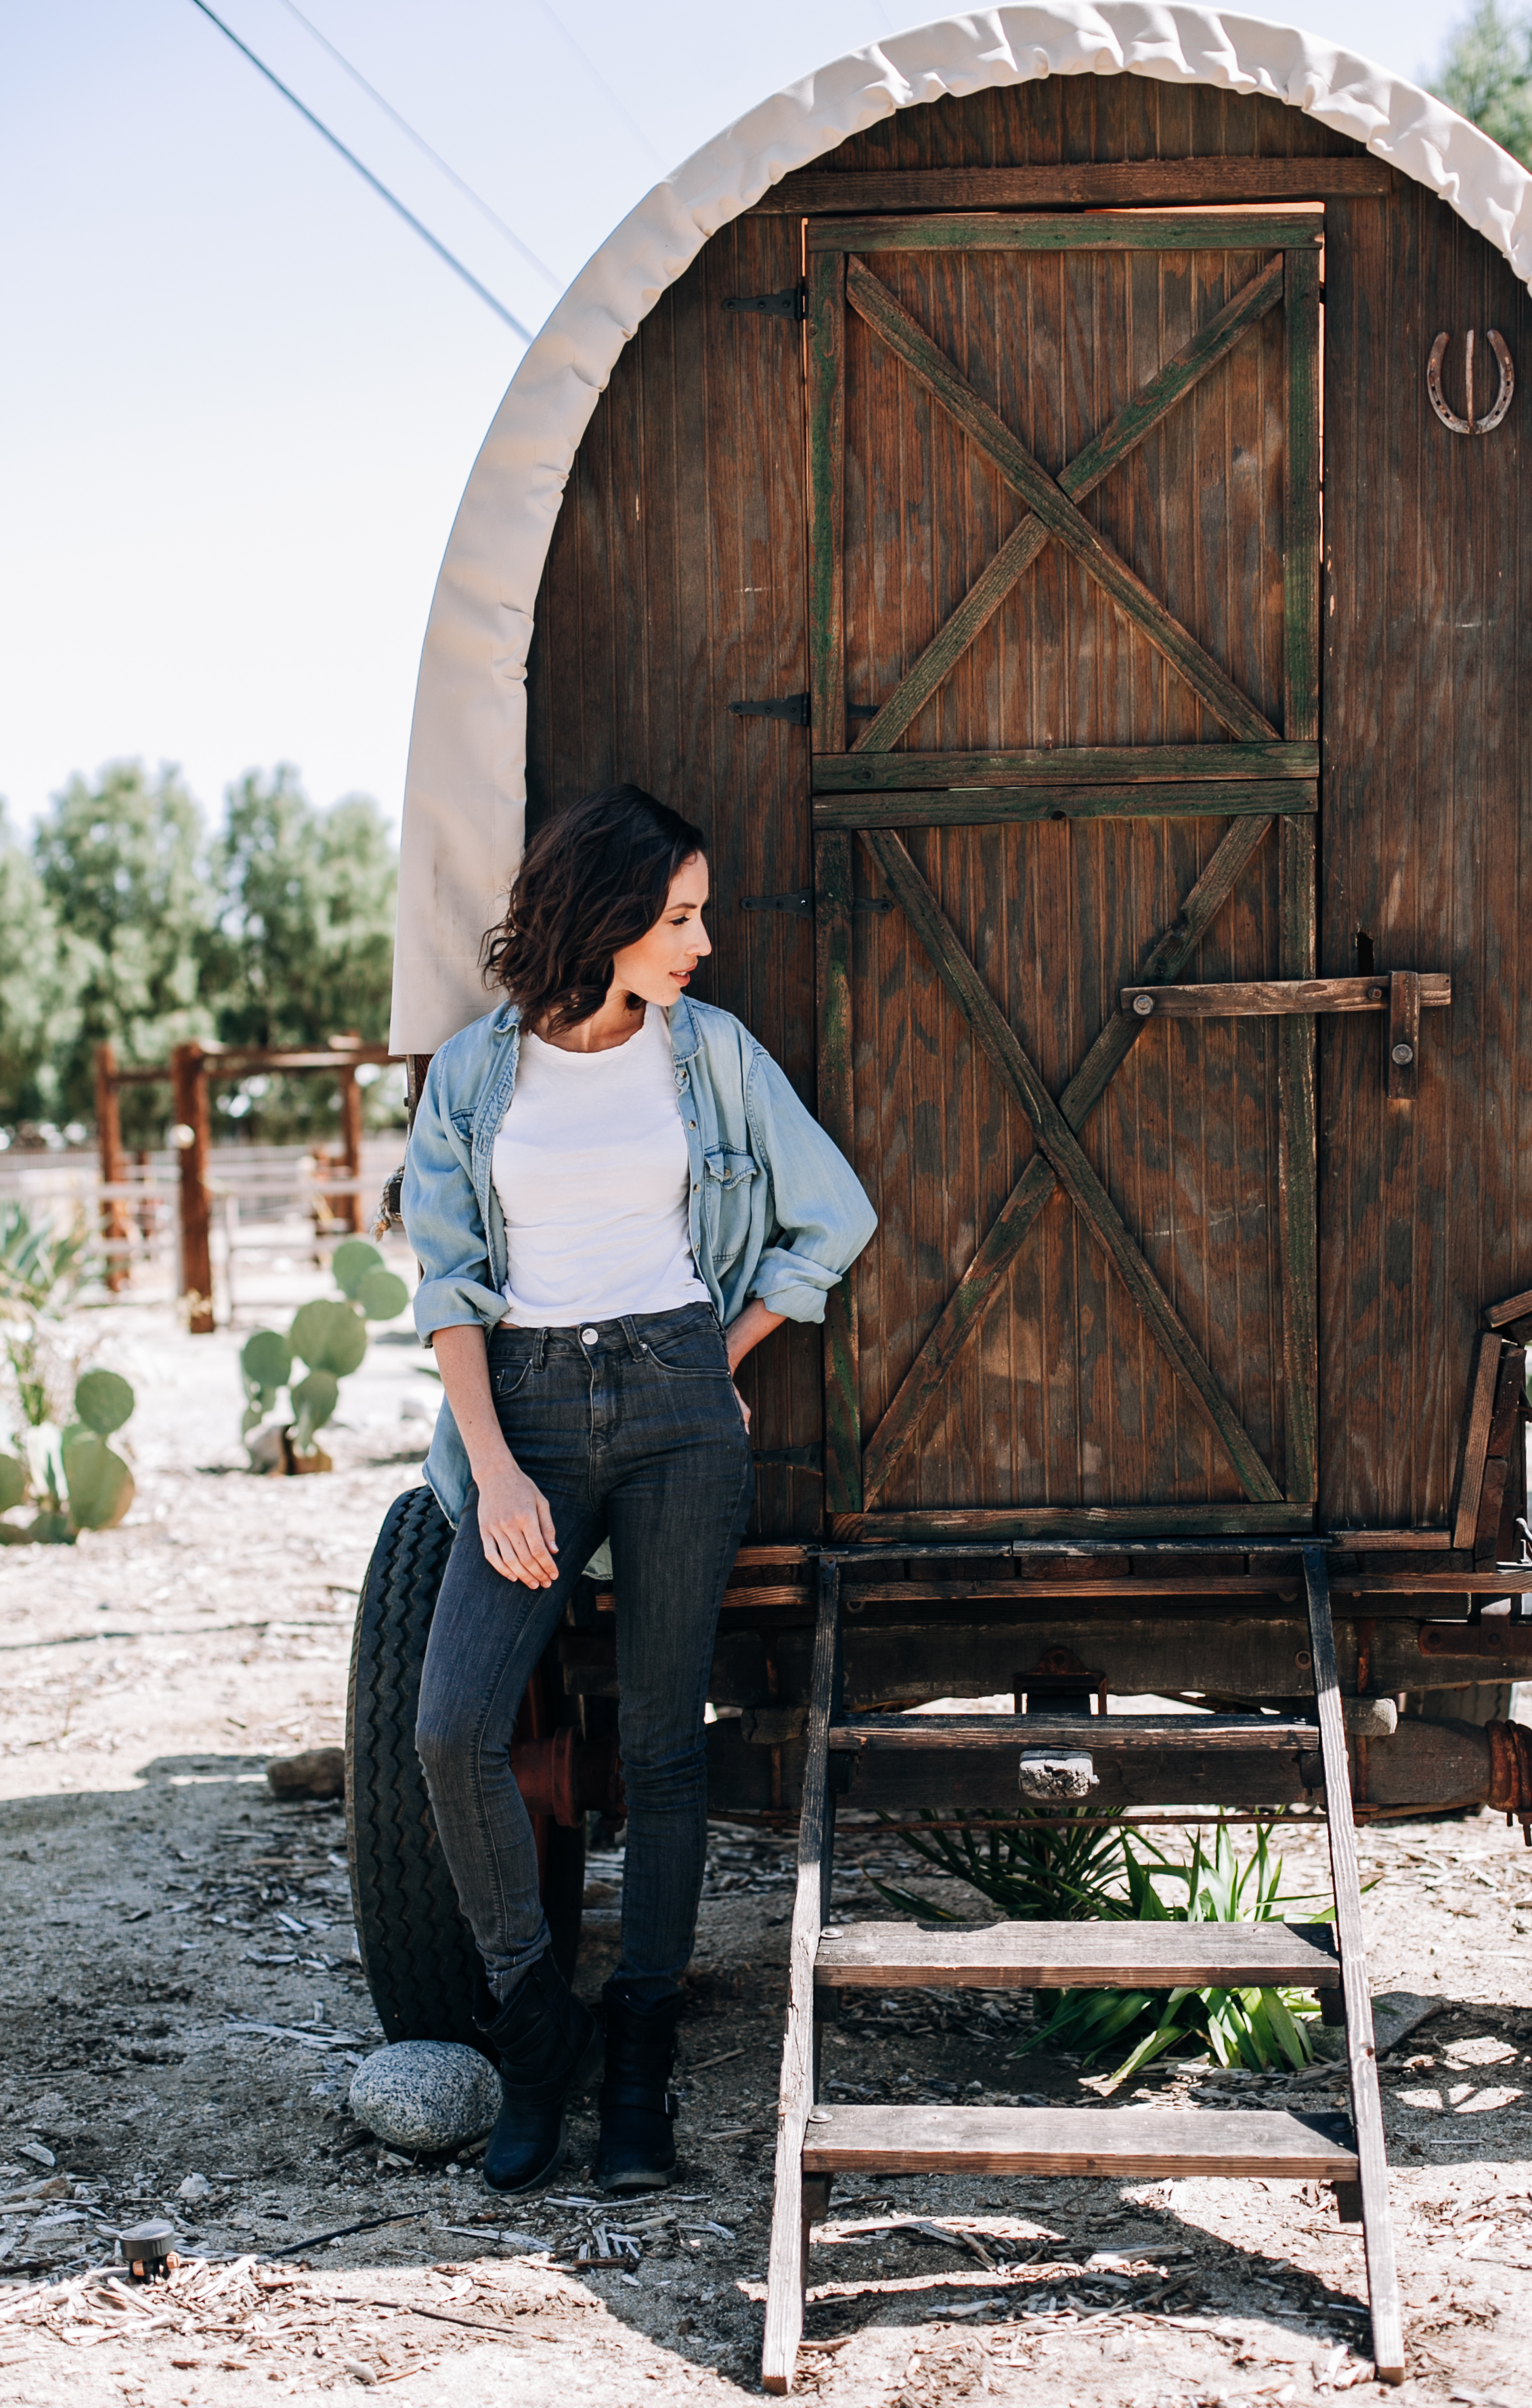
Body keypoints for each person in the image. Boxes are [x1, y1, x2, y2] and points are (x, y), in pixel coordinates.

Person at [403, 786, 875, 2197]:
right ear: (604, 919)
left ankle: (637, 2066)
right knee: (449, 1728)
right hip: (526, 1416)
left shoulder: (710, 1056)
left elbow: (828, 1216)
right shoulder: (477, 1074)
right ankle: (535, 2030)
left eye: (699, 914)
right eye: (678, 918)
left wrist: (718, 1355)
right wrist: (493, 1470)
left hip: (677, 1410)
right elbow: (448, 1285)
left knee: (667, 1751)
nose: (702, 942)